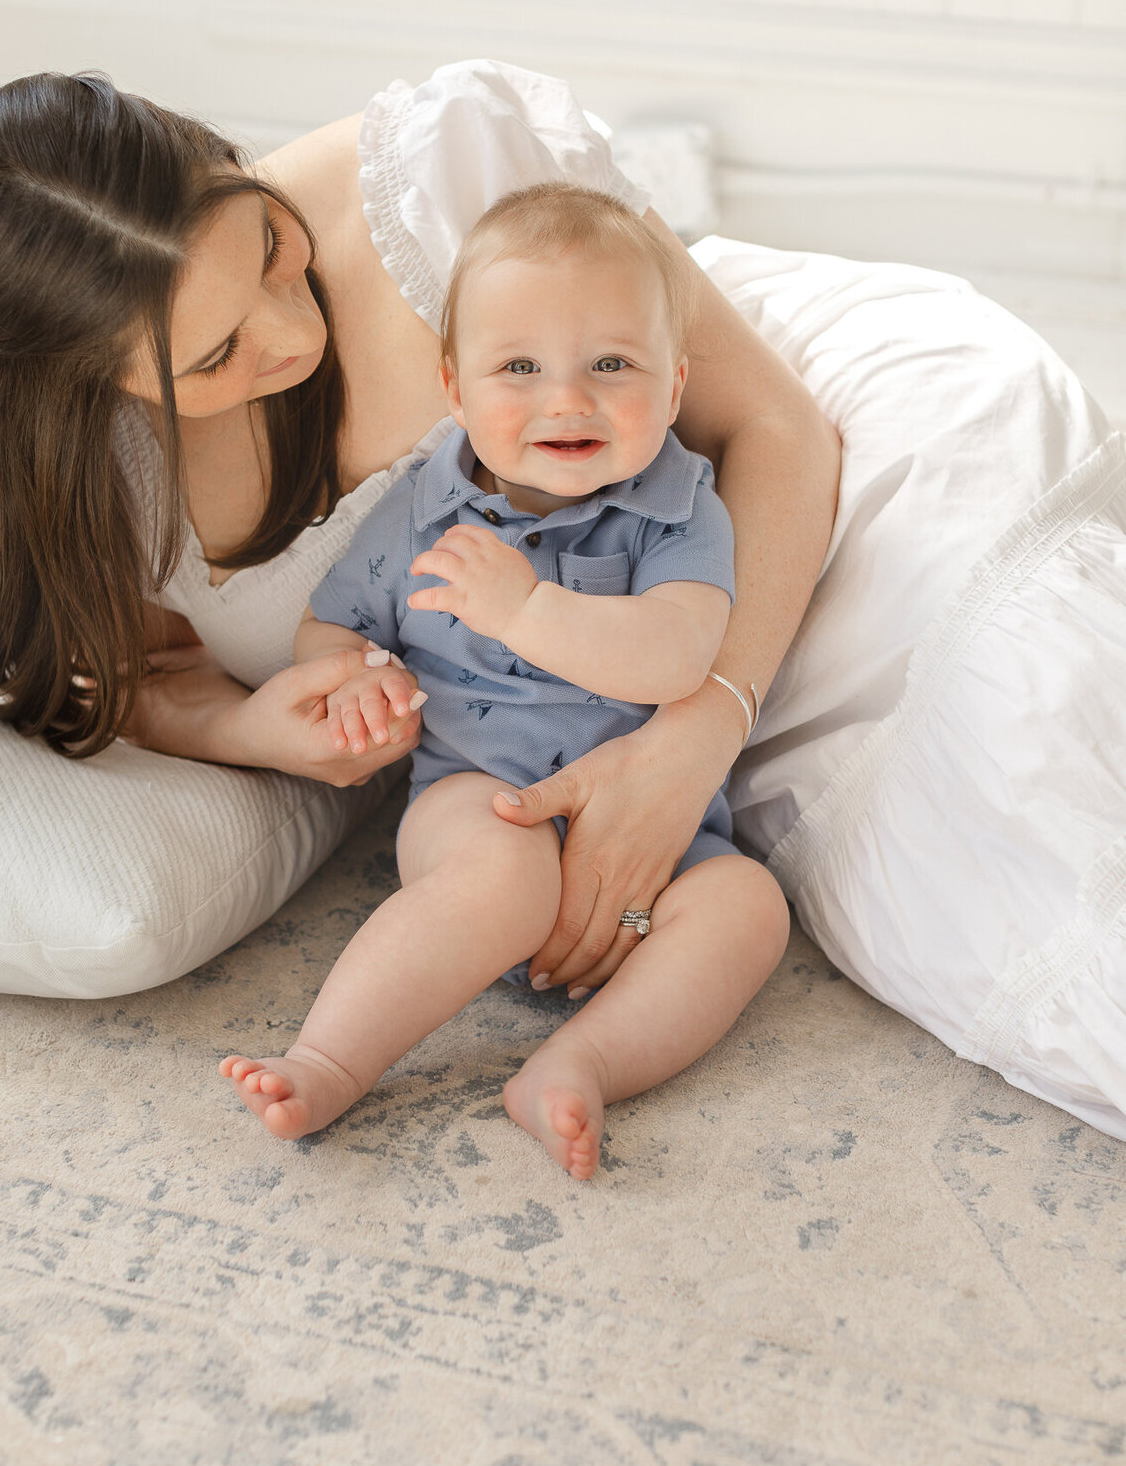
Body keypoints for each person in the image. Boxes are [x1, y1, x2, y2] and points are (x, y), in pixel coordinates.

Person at [0, 60, 840, 998]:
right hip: (470, 795)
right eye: (216, 357)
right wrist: (249, 732)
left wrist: (693, 746)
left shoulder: (456, 169)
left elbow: (777, 429)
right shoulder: (80, 470)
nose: (292, 335)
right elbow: (132, 681)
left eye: (272, 247)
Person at [220, 184, 789, 1178]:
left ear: (675, 381)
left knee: (750, 911)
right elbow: (333, 627)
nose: (567, 398)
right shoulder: (424, 507)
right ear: (454, 386)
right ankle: (328, 1059)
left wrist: (527, 613)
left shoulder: (680, 506)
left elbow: (678, 654)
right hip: (480, 801)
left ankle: (577, 1067)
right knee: (499, 869)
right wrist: (350, 680)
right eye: (518, 367)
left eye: (612, 365)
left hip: (665, 841)